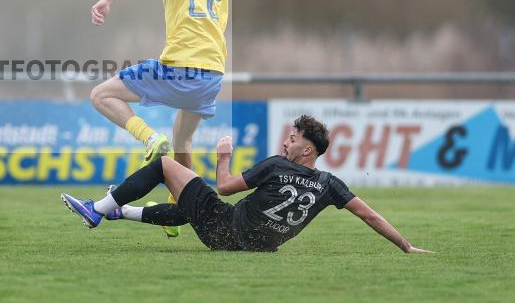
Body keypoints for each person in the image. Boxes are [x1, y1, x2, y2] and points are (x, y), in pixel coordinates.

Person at [89, 0, 270, 238]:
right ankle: (180, 207)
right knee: (183, 139)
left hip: (180, 67)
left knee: (101, 95)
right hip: (213, 76)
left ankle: (149, 138)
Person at [61, 115, 433, 254]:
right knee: (192, 206)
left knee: (165, 164)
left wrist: (224, 155)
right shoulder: (330, 184)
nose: (286, 142)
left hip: (224, 233)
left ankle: (98, 209)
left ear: (307, 148)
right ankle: (121, 212)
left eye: (292, 138)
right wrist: (405, 245)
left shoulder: (274, 165)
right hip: (258, 247)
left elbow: (223, 187)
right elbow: (368, 215)